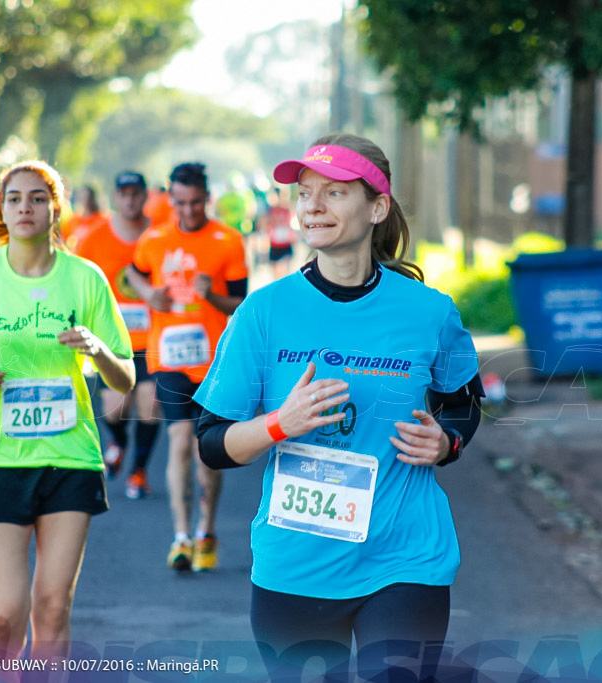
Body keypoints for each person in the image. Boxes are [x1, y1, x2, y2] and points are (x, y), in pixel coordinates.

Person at [193, 133, 484, 682]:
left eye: (334, 192)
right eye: (304, 193)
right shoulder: (263, 313)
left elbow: (463, 405)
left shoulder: (429, 312)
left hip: (405, 554)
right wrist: (281, 423)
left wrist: (446, 443)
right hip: (296, 564)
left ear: (376, 207)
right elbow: (212, 445)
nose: (313, 206)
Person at [0, 160, 134, 669]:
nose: (26, 207)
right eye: (15, 198)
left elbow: (125, 377)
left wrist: (96, 348)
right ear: (1, 208)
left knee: (53, 606)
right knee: (3, 614)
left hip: (70, 457)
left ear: (54, 209)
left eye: (38, 198)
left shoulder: (85, 279)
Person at [126, 162, 248, 573]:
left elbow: (240, 304)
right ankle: (180, 535)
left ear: (206, 198)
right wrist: (149, 293)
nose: (188, 211)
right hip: (171, 358)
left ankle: (206, 530)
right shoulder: (155, 238)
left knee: (206, 455)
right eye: (180, 202)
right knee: (179, 441)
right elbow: (132, 273)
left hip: (215, 362)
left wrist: (213, 296)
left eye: (196, 202)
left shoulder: (227, 241)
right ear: (171, 198)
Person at [72, 171, 161, 499]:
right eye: (123, 193)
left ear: (143, 197)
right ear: (115, 196)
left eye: (135, 193)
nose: (129, 199)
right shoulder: (94, 237)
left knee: (150, 405)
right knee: (115, 409)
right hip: (112, 340)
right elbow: (78, 284)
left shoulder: (158, 234)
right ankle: (119, 442)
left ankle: (138, 471)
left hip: (154, 339)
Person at [257, 187, 298, 280]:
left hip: (286, 243)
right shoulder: (270, 210)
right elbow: (263, 225)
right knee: (276, 273)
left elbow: (292, 224)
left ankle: (285, 287)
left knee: (285, 272)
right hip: (275, 243)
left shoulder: (288, 209)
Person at [60, 185, 108, 251]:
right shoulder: (74, 220)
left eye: (86, 197)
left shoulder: (102, 220)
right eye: (81, 197)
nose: (84, 200)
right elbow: (64, 238)